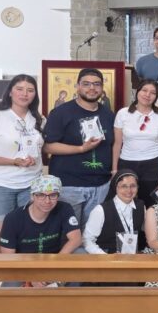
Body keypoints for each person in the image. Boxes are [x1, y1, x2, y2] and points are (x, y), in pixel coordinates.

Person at [0, 74, 44, 261]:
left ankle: (23, 287)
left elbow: (44, 149)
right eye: (19, 89)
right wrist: (13, 161)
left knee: (27, 240)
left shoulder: (39, 119)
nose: (24, 94)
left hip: (31, 185)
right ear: (10, 92)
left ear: (35, 94)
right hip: (0, 185)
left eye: (30, 90)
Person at [42, 68, 115, 224]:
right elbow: (48, 147)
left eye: (97, 84)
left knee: (92, 234)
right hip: (70, 185)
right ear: (77, 86)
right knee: (70, 235)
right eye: (86, 84)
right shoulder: (61, 112)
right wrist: (81, 149)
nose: (92, 88)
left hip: (101, 185)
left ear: (102, 88)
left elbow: (113, 145)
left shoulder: (108, 115)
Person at [112, 79, 158, 207]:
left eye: (153, 92)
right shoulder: (123, 113)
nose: (147, 95)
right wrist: (114, 169)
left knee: (151, 203)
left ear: (156, 97)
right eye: (144, 90)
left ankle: (149, 227)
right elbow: (117, 143)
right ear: (137, 92)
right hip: (127, 162)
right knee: (126, 201)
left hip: (154, 164)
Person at [0, 175, 82, 257]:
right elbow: (8, 256)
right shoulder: (13, 218)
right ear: (32, 196)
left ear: (58, 196)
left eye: (53, 195)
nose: (47, 201)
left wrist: (56, 262)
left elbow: (76, 239)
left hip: (53, 260)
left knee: (81, 252)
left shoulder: (64, 208)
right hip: (23, 263)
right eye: (41, 195)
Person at [82, 170, 148, 255]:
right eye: (124, 186)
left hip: (132, 258)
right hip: (106, 259)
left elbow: (148, 231)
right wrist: (106, 258)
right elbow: (87, 240)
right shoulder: (100, 210)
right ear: (115, 187)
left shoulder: (141, 206)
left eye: (133, 186)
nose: (129, 190)